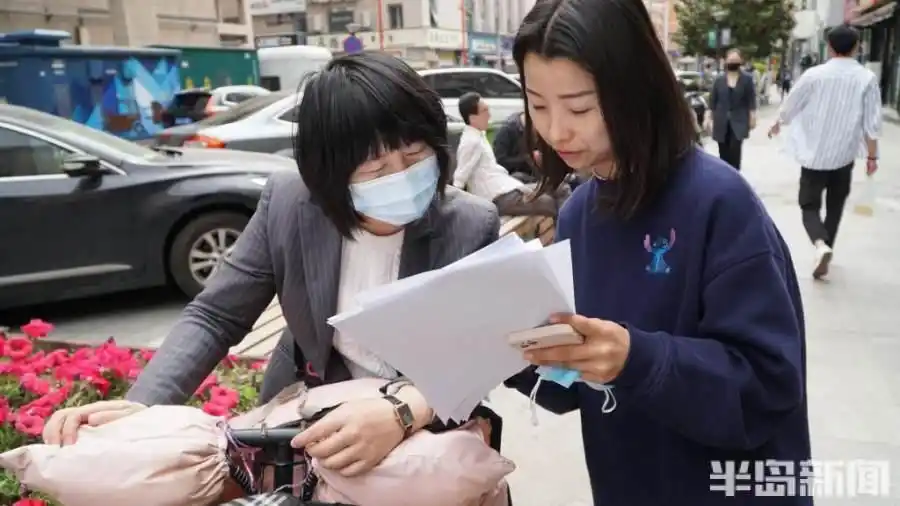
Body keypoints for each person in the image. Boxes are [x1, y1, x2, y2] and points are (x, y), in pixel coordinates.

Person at [42, 52, 503, 478]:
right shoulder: (290, 204)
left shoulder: (468, 224)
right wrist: (144, 407)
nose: (401, 176)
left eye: (415, 155)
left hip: (414, 422)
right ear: (329, 172)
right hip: (304, 411)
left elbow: (474, 355)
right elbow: (216, 315)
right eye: (375, 169)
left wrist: (405, 413)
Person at [503, 0, 811, 505]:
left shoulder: (718, 202)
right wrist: (509, 351)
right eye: (538, 105)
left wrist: (637, 358)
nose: (556, 130)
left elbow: (768, 387)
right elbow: (575, 384)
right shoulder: (579, 212)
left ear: (635, 89)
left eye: (580, 107)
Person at [768, 24, 881, 280]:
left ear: (829, 47)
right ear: (857, 47)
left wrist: (777, 122)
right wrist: (872, 157)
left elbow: (791, 104)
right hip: (844, 156)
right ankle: (827, 246)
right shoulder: (867, 78)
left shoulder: (814, 75)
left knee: (808, 204)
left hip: (814, 154)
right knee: (835, 205)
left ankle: (820, 244)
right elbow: (871, 125)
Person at [454, 91, 568, 217]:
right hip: (498, 197)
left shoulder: (479, 136)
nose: (489, 115)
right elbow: (460, 178)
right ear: (473, 118)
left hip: (508, 186)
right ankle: (568, 230)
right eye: (485, 111)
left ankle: (572, 229)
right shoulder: (471, 142)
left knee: (560, 187)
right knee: (548, 203)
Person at [704, 49, 757, 170]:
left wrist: (752, 116)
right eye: (731, 60)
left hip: (739, 121)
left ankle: (735, 175)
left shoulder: (747, 79)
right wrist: (707, 118)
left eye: (735, 60)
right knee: (723, 154)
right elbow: (712, 102)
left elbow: (751, 100)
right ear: (726, 61)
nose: (733, 62)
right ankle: (725, 178)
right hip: (721, 121)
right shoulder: (719, 80)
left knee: (735, 151)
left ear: (741, 62)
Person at [492, 111, 538, 184]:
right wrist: (529, 159)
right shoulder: (506, 131)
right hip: (512, 177)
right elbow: (500, 161)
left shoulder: (538, 131)